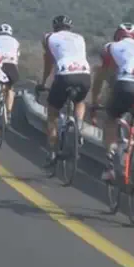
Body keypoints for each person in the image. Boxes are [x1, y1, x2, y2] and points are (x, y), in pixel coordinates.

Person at [90, 23, 134, 194]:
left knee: (111, 120)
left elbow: (102, 75)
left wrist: (95, 99)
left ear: (117, 36)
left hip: (126, 86)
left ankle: (111, 168)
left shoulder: (111, 47)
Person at [36, 15, 91, 168]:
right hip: (84, 75)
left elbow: (49, 61)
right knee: (80, 101)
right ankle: (78, 127)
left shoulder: (49, 37)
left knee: (52, 112)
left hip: (64, 76)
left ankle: (52, 151)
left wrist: (43, 82)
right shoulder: (80, 38)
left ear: (54, 27)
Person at [0, 23, 20, 122]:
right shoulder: (15, 41)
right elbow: (17, 56)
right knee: (10, 88)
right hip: (11, 65)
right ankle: (8, 112)